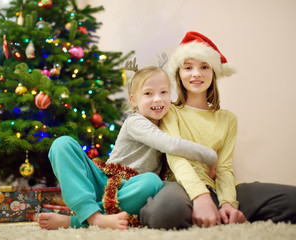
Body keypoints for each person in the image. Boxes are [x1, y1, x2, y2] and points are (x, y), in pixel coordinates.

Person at [139, 31, 296, 229]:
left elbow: (224, 168)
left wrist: (229, 203)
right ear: (179, 73)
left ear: (213, 72)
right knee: (165, 214)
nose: (196, 73)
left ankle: (222, 212)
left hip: (220, 188)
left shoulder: (228, 119)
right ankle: (202, 209)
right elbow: (176, 158)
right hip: (181, 186)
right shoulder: (171, 112)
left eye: (204, 66)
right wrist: (201, 197)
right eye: (188, 67)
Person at [37, 59, 217, 230]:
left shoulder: (168, 123)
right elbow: (170, 145)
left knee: (152, 181)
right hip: (105, 181)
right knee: (63, 144)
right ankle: (93, 217)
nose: (157, 99)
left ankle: (78, 220)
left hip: (133, 191)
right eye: (148, 93)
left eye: (164, 92)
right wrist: (210, 155)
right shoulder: (135, 122)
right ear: (134, 100)